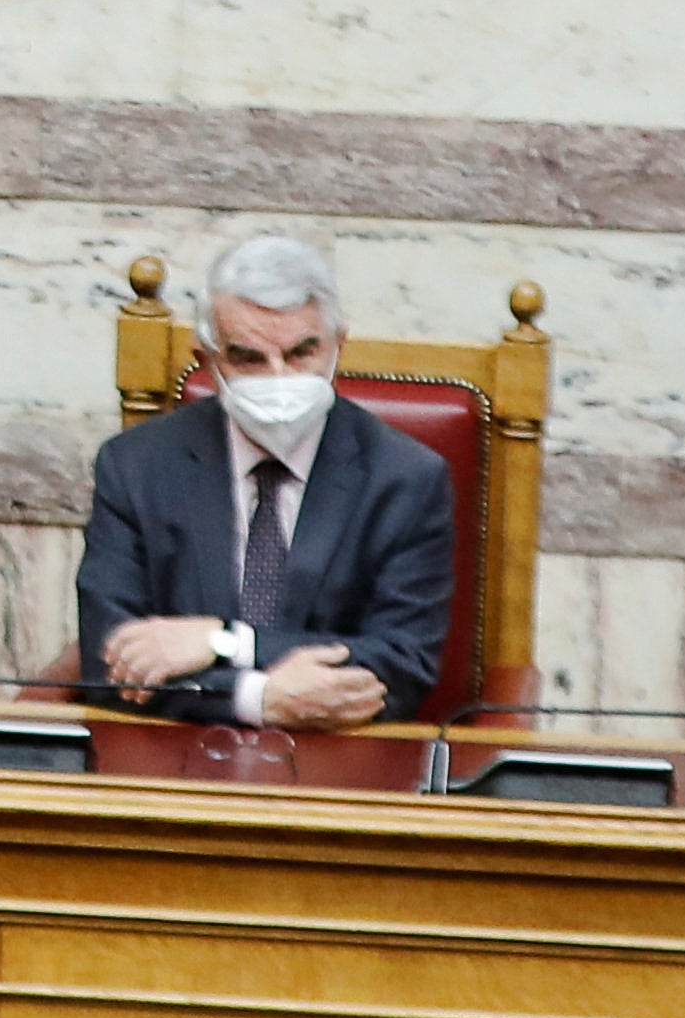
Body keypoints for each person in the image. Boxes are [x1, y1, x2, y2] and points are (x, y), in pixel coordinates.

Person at [82, 231, 452, 730]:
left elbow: (400, 664)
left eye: (302, 353)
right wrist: (255, 698)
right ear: (207, 358)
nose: (279, 377)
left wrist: (225, 641)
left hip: (339, 772)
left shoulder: (406, 478)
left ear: (339, 345)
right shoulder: (137, 466)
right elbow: (112, 662)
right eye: (249, 358)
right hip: (176, 767)